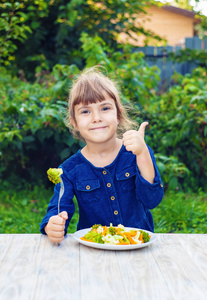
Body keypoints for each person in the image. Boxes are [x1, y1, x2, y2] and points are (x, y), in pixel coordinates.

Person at [40, 67, 164, 243]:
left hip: (137, 247)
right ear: (74, 122)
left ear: (118, 114)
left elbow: (152, 200)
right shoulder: (68, 171)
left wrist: (143, 153)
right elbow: (58, 208)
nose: (96, 118)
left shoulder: (137, 152)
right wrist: (52, 225)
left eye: (105, 108)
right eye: (85, 111)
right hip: (93, 248)